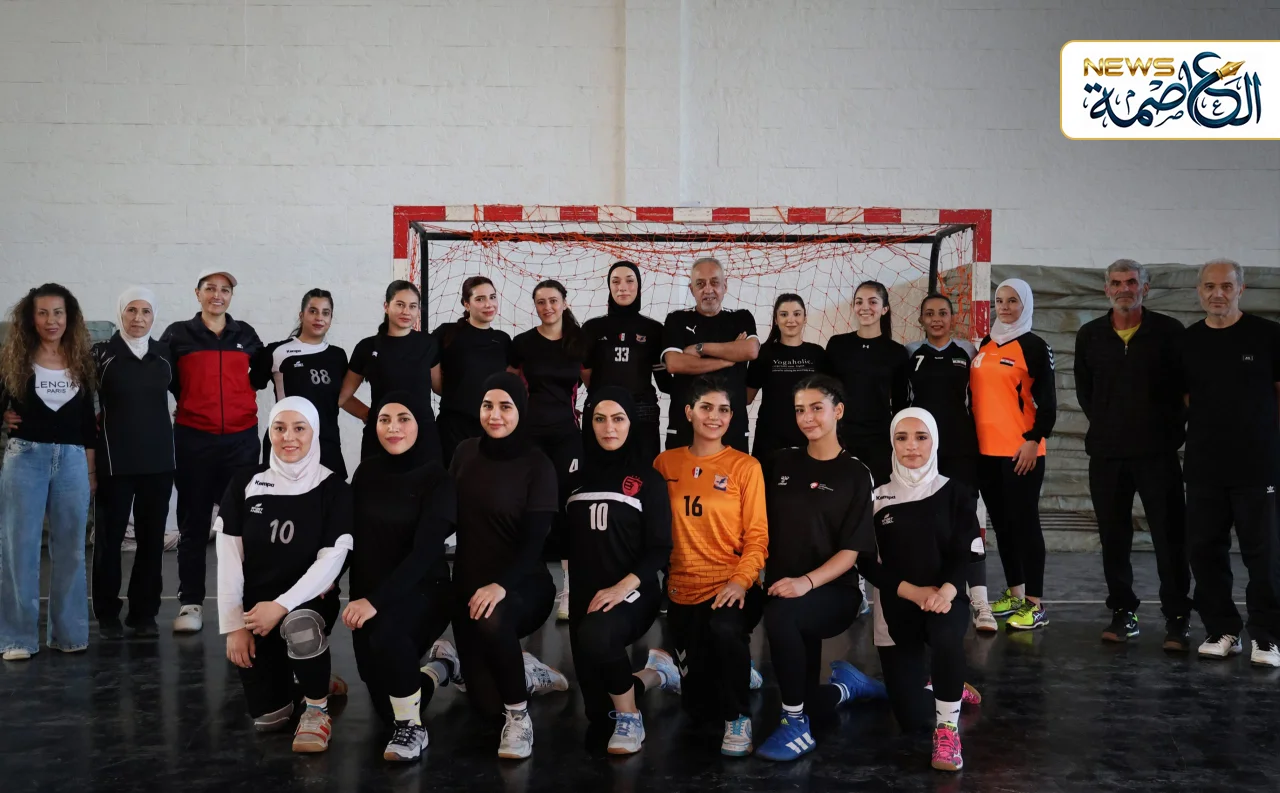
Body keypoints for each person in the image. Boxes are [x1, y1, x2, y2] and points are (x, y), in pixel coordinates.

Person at [756, 375, 888, 762]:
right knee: (811, 699)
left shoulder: (855, 473)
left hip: (832, 592)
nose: (807, 418)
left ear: (838, 411)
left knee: (781, 616)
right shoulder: (780, 462)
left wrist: (806, 582)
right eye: (800, 410)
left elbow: (851, 553)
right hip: (784, 588)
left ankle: (794, 724)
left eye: (817, 408)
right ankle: (847, 687)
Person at [216, 397, 353, 753]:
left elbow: (332, 561)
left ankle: (317, 709)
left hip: (306, 603)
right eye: (279, 428)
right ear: (270, 433)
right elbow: (228, 560)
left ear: (314, 433)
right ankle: (314, 677)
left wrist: (281, 605)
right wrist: (234, 626)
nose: (288, 437)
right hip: (256, 613)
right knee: (269, 719)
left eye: (299, 428)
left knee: (299, 626)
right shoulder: (245, 482)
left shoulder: (334, 488)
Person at [447, 372, 569, 760]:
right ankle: (527, 672)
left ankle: (519, 717)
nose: (495, 415)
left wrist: (499, 585)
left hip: (521, 584)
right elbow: (444, 517)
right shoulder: (465, 452)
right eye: (488, 406)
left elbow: (534, 544)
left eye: (505, 407)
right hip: (469, 588)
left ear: (521, 411)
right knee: (485, 708)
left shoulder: (537, 464)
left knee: (493, 617)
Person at [1074, 260, 1193, 649]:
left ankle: (1177, 616)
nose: (1124, 288)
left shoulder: (1170, 332)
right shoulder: (1090, 335)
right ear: (1106, 289)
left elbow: (1185, 392)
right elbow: (1086, 393)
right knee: (1114, 538)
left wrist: (1163, 432)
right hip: (1107, 456)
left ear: (1145, 287)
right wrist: (1110, 426)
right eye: (1116, 282)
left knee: (1169, 537)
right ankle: (1123, 611)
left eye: (1131, 282)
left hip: (1157, 455)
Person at [651, 376, 769, 757]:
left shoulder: (745, 466)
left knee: (724, 629)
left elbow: (757, 537)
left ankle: (739, 717)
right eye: (706, 407)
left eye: (723, 410)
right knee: (698, 709)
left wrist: (740, 581)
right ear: (688, 412)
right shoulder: (665, 463)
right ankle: (734, 669)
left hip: (730, 588)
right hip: (682, 591)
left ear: (732, 416)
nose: (714, 417)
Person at [858, 408, 980, 772]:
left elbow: (967, 551)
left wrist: (945, 592)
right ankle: (947, 683)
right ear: (892, 443)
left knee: (946, 638)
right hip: (898, 607)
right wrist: (912, 592)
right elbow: (866, 562)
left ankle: (948, 729)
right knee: (911, 720)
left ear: (934, 442)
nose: (911, 446)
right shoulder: (876, 497)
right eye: (902, 438)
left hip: (945, 601)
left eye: (921, 437)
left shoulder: (956, 492)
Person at [344, 391, 456, 762]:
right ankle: (442, 668)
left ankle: (414, 729)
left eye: (403, 418)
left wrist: (374, 602)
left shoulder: (437, 477)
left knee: (390, 638)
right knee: (386, 704)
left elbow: (424, 554)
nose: (393, 428)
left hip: (424, 590)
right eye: (384, 419)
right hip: (370, 593)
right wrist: (329, 579)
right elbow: (350, 538)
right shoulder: (366, 473)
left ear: (420, 423)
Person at [1180, 258, 1280, 666]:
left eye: (1225, 286)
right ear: (1199, 291)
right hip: (1205, 466)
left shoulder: (1268, 336)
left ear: (1241, 289)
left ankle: (1267, 636)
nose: (1217, 294)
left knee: (1264, 555)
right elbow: (1187, 398)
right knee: (1205, 551)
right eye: (1209, 286)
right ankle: (1222, 630)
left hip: (1258, 466)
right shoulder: (1188, 341)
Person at [566, 386, 675, 755]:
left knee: (598, 635)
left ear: (631, 423)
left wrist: (622, 587)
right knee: (599, 713)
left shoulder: (648, 479)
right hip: (586, 596)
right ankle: (656, 674)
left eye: (618, 418)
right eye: (599, 419)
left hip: (633, 592)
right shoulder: (573, 477)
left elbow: (660, 548)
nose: (608, 427)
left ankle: (631, 717)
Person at [161, 270, 263, 634]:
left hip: (241, 442)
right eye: (210, 289)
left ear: (231, 296)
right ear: (198, 293)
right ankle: (191, 603)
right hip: (194, 440)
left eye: (225, 290)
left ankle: (246, 602)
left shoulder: (245, 335)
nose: (217, 295)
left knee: (244, 526)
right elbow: (167, 380)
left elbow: (260, 377)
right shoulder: (178, 335)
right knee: (194, 524)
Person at [0, 284, 97, 661]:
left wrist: (90, 470)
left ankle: (69, 634)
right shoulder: (14, 358)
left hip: (72, 460)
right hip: (26, 457)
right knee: (19, 549)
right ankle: (17, 639)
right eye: (42, 313)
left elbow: (87, 423)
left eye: (58, 312)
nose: (51, 320)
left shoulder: (81, 360)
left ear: (68, 317)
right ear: (31, 317)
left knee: (71, 549)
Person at [905, 294, 995, 633]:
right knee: (924, 520)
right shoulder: (911, 353)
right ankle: (929, 593)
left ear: (953, 317)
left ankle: (980, 601)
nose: (936, 318)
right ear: (921, 319)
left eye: (943, 312)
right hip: (923, 452)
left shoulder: (967, 352)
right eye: (929, 313)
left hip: (961, 449)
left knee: (966, 521)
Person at [971, 278, 1056, 630]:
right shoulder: (986, 344)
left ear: (1026, 305)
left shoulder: (1035, 347)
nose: (1004, 307)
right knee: (1003, 525)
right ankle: (1016, 593)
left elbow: (1049, 404)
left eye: (1012, 301)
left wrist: (1033, 441)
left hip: (1021, 452)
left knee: (1025, 524)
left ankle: (1035, 604)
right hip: (986, 453)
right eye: (1000, 301)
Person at [91, 288, 176, 639]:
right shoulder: (101, 353)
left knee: (151, 540)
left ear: (154, 316)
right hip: (115, 461)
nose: (138, 318)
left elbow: (186, 396)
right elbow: (79, 399)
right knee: (109, 540)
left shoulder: (165, 354)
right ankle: (107, 613)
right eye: (131, 310)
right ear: (120, 313)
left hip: (158, 462)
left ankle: (144, 614)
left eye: (145, 311)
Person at [507, 279, 587, 622]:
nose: (547, 307)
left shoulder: (579, 341)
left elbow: (594, 385)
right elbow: (508, 388)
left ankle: (569, 587)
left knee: (568, 508)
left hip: (567, 436)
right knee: (531, 509)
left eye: (553, 300)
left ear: (564, 303)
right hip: (529, 437)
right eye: (541, 302)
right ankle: (532, 581)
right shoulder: (523, 343)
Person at [660, 257, 760, 453]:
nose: (708, 290)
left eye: (714, 282)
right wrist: (728, 359)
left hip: (732, 428)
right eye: (700, 284)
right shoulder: (677, 319)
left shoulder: (741, 317)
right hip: (685, 428)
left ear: (725, 286)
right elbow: (675, 363)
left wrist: (701, 348)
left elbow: (750, 350)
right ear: (691, 289)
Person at [340, 280, 441, 464]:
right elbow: (343, 397)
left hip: (423, 435)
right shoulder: (367, 347)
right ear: (386, 306)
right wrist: (368, 414)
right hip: (382, 436)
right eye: (400, 305)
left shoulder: (429, 344)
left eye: (412, 306)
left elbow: (440, 388)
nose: (406, 311)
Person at [581, 261, 672, 465]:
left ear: (638, 285)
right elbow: (586, 377)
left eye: (629, 281)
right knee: (598, 473)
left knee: (642, 475)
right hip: (601, 413)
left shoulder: (654, 329)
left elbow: (665, 383)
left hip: (642, 414)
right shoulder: (592, 328)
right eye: (616, 281)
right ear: (609, 286)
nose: (622, 287)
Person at [253, 289, 349, 480]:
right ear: (301, 315)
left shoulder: (338, 356)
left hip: (327, 442)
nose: (319, 317)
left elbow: (342, 397)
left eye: (325, 313)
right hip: (288, 443)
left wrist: (368, 415)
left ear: (331, 319)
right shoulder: (277, 352)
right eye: (313, 311)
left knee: (331, 497)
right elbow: (248, 388)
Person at [824, 280, 909, 487]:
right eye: (859, 302)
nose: (865, 307)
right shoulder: (837, 345)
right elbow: (825, 394)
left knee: (876, 497)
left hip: (879, 440)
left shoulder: (896, 352)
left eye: (872, 302)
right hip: (841, 437)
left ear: (884, 309)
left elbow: (901, 403)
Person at [431, 276, 511, 467]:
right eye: (480, 299)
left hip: (492, 426)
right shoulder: (447, 333)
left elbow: (509, 384)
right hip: (454, 427)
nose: (488, 304)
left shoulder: (503, 340)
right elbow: (435, 382)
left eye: (492, 297)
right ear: (466, 304)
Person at [746, 294, 826, 461]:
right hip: (770, 439)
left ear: (805, 318)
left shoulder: (817, 353)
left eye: (797, 314)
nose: (791, 320)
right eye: (784, 314)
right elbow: (746, 398)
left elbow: (828, 399)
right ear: (776, 319)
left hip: (808, 436)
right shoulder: (763, 353)